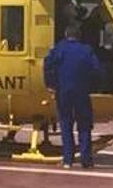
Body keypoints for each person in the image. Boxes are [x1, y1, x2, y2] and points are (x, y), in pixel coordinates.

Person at [44, 23, 103, 169]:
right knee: (84, 125)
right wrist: (91, 83)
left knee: (65, 123)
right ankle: (85, 159)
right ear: (79, 36)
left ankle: (68, 159)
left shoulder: (59, 49)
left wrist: (51, 85)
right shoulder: (86, 50)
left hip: (63, 92)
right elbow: (96, 69)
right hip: (82, 92)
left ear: (66, 34)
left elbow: (48, 66)